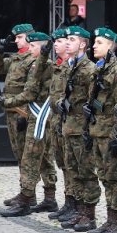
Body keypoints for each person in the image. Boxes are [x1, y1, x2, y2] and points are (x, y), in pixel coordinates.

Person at [0, 32, 59, 217]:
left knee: (32, 158)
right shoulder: (37, 64)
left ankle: (27, 200)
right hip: (33, 113)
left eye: (33, 46)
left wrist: (9, 102)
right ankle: (45, 198)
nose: (29, 49)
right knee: (34, 157)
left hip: (41, 115)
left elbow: (31, 93)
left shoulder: (46, 66)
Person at [82, 28, 117, 233]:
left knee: (114, 178)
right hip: (97, 130)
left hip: (110, 132)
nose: (94, 46)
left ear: (111, 46)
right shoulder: (99, 70)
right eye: (95, 41)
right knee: (104, 176)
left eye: (99, 42)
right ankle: (110, 220)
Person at [55, 26, 98, 232]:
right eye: (67, 39)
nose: (67, 42)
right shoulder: (71, 66)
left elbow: (92, 101)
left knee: (86, 172)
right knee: (72, 170)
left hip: (81, 127)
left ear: (82, 44)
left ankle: (88, 215)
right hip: (68, 126)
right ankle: (78, 210)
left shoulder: (89, 69)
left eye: (72, 39)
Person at [0, 23, 36, 205]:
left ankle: (29, 193)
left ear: (28, 37)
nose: (16, 41)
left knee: (27, 155)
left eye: (19, 37)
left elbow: (31, 90)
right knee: (18, 153)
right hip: (10, 109)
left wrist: (24, 113)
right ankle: (25, 191)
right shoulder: (15, 58)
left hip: (21, 110)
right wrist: (0, 51)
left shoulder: (33, 59)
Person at [47, 29, 76, 221]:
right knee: (63, 164)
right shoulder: (58, 66)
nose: (56, 44)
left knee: (72, 165)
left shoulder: (73, 67)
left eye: (60, 41)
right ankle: (68, 202)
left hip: (70, 122)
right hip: (57, 121)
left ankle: (74, 203)